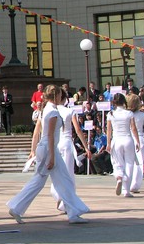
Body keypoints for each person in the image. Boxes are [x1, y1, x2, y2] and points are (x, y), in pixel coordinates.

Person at [6, 85, 90, 224]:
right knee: (42, 181)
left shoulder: (48, 110)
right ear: (56, 96)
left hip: (48, 149)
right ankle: (16, 207)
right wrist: (51, 157)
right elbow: (50, 135)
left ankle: (73, 212)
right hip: (48, 150)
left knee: (59, 180)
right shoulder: (52, 112)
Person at [51, 88, 92, 212]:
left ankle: (58, 195)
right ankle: (66, 200)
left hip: (56, 143)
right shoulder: (70, 111)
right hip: (67, 143)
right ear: (65, 99)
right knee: (68, 173)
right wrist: (86, 147)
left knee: (57, 172)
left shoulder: (52, 111)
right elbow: (78, 130)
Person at [106, 93, 140, 197]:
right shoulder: (129, 113)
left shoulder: (111, 114)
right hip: (128, 139)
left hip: (116, 140)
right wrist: (137, 141)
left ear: (114, 102)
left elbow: (109, 130)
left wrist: (108, 143)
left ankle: (119, 177)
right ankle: (126, 190)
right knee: (129, 164)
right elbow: (133, 128)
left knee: (117, 163)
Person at [127, 94, 144, 193]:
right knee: (139, 163)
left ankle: (127, 183)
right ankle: (135, 185)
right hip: (140, 138)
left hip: (128, 138)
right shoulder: (143, 115)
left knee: (129, 162)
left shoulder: (127, 114)